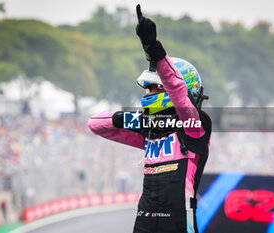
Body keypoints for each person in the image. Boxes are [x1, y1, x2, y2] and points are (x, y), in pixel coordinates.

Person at [88, 4, 211, 233]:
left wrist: (153, 49)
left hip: (178, 221)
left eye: (154, 88)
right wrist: (142, 120)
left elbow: (178, 92)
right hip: (144, 218)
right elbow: (95, 124)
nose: (148, 94)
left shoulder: (196, 126)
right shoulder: (150, 130)